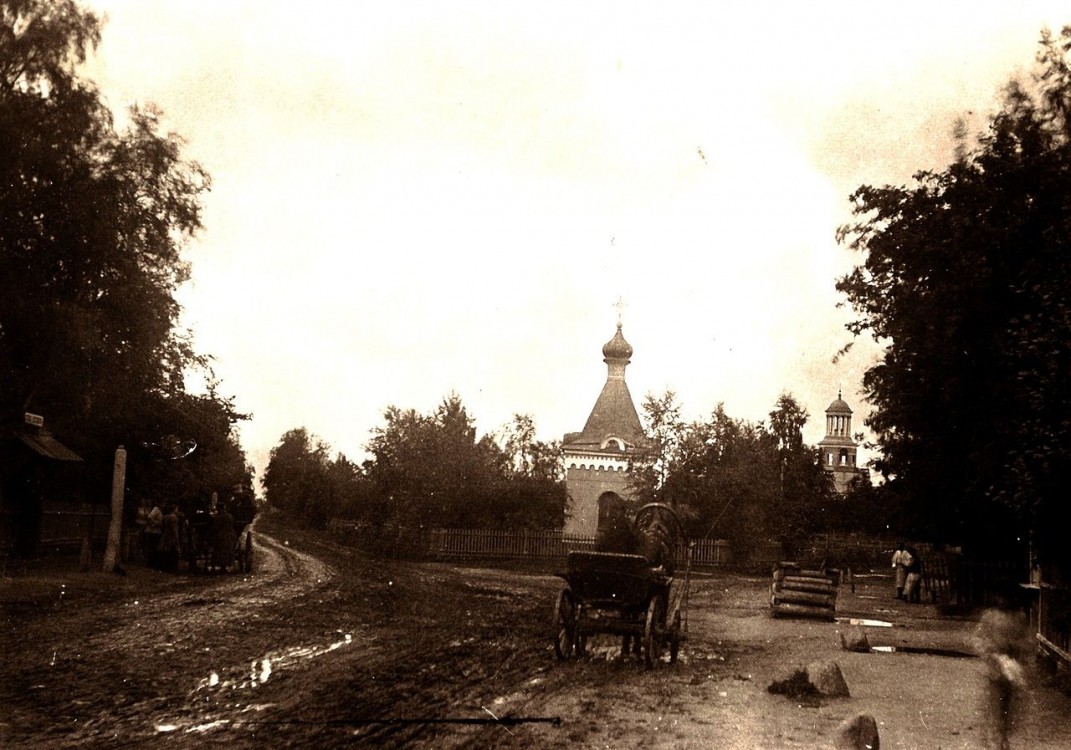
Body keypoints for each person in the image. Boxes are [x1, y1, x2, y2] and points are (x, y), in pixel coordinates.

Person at [972, 599, 1030, 750]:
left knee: (1010, 712)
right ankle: (997, 742)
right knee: (996, 709)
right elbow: (978, 639)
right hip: (995, 671)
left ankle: (1002, 739)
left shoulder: (1019, 617)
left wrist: (1017, 648)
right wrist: (991, 652)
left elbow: (1026, 641)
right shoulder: (990, 616)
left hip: (1012, 672)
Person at [144, 504, 163, 569]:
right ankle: (150, 562)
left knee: (154, 547)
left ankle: (152, 562)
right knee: (152, 547)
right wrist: (155, 523)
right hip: (153, 531)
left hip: (156, 532)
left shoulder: (160, 511)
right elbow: (149, 517)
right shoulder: (156, 509)